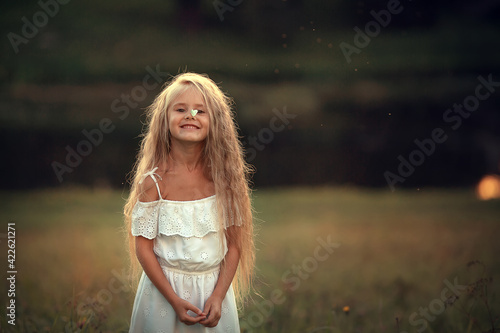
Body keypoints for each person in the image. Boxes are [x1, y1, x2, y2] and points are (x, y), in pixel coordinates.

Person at [124, 73, 255, 332]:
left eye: (200, 111)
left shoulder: (225, 181)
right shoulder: (154, 183)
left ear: (215, 122)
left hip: (213, 296)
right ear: (165, 121)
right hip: (163, 296)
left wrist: (217, 296)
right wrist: (173, 300)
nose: (190, 115)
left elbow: (235, 247)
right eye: (181, 109)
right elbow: (144, 249)